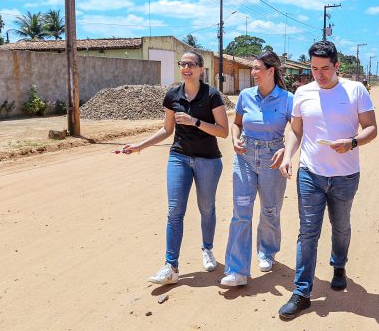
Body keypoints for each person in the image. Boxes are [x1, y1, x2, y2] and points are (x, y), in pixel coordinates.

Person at [277, 40, 378, 319]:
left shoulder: (355, 90)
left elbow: (371, 128)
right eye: (314, 68)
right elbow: (296, 131)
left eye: (324, 68)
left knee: (341, 226)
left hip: (345, 175)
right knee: (308, 232)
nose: (319, 74)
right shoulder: (302, 92)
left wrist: (352, 142)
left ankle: (339, 264)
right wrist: (288, 156)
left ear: (336, 66)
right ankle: (302, 292)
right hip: (311, 174)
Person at [122, 51, 229, 285]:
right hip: (179, 157)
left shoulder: (212, 95)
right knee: (174, 211)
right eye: (183, 64)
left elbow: (223, 131)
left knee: (206, 208)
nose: (186, 68)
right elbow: (167, 130)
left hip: (208, 160)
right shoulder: (173, 95)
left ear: (201, 69)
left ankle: (207, 249)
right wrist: (139, 146)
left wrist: (195, 122)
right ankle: (171, 266)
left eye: (191, 64)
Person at [220, 51, 294, 287]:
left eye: (256, 68)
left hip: (273, 157)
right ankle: (237, 270)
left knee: (270, 210)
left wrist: (286, 152)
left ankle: (267, 252)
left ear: (271, 71)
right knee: (241, 211)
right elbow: (237, 124)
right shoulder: (245, 95)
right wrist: (235, 139)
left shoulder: (287, 99)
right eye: (252, 68)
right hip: (245, 156)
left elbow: (296, 130)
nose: (253, 72)